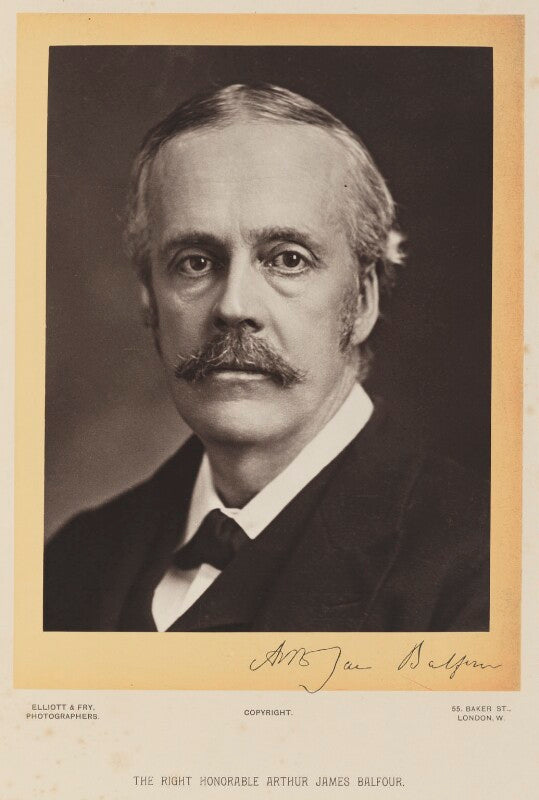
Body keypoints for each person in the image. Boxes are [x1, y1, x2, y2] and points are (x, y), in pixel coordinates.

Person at [44, 83, 489, 632]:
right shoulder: (70, 565)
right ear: (150, 303)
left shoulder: (485, 567)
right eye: (195, 262)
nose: (234, 306)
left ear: (363, 299)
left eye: (287, 259)